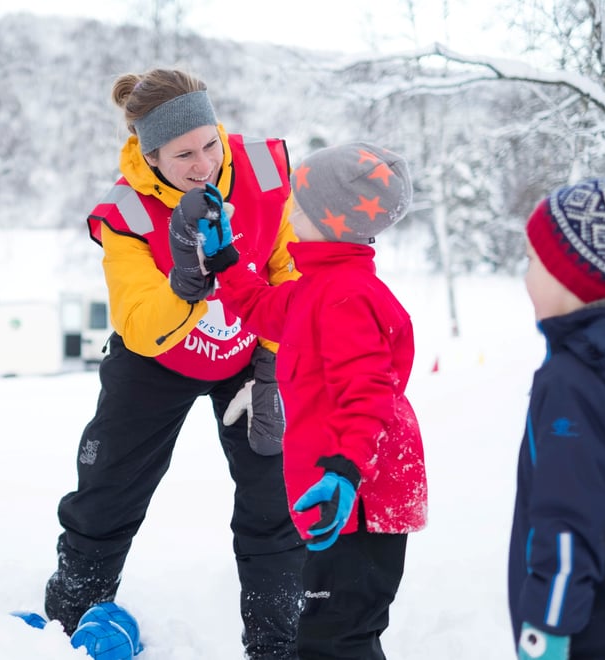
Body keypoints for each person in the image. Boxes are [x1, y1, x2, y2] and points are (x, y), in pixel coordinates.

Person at [43, 68, 305, 659]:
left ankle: (279, 646)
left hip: (249, 352)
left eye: (210, 143)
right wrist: (185, 283)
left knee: (272, 490)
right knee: (109, 484)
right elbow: (138, 322)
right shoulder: (126, 213)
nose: (204, 163)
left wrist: (271, 368)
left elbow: (290, 271)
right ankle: (69, 623)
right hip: (156, 358)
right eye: (183, 154)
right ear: (149, 152)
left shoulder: (263, 171)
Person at [181, 142, 428, 659]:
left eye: (299, 204)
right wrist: (226, 260)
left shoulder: (345, 296)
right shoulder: (317, 287)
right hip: (339, 488)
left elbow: (368, 393)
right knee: (330, 631)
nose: (289, 212)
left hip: (358, 493)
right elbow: (259, 307)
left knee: (336, 638)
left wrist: (343, 470)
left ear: (331, 221)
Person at [508, 176, 605, 660]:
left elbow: (568, 517)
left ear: (581, 276)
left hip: (590, 631)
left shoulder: (579, 377)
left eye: (533, 261)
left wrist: (547, 628)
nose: (525, 277)